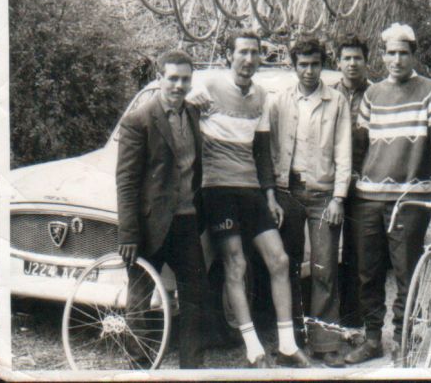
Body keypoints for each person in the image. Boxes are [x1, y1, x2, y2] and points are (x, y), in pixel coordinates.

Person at [187, 30, 311, 369]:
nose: (248, 59)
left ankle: (286, 346)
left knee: (280, 261)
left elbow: (261, 153)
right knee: (236, 266)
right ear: (230, 56)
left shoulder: (261, 97)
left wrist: (270, 194)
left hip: (251, 190)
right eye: (242, 52)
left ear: (260, 58)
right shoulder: (208, 87)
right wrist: (189, 103)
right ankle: (254, 349)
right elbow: (181, 115)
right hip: (217, 189)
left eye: (254, 53)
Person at [344, 23, 431, 364]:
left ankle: (402, 338)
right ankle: (372, 338)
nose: (396, 60)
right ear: (382, 56)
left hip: (411, 197)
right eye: (391, 53)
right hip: (368, 196)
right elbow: (359, 147)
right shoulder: (372, 95)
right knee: (368, 272)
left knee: (406, 271)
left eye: (403, 53)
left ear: (413, 55)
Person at [116, 50, 215, 369]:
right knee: (140, 299)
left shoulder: (192, 113)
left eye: (185, 79)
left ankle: (192, 369)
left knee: (195, 295)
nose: (178, 85)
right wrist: (129, 234)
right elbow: (127, 182)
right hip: (149, 226)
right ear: (159, 78)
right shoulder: (138, 120)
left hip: (186, 221)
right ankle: (139, 367)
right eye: (172, 78)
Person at [269, 37, 352, 367]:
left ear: (322, 65)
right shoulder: (281, 100)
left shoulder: (337, 101)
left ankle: (326, 343)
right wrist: (273, 193)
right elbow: (270, 141)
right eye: (302, 64)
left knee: (324, 270)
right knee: (287, 269)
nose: (308, 70)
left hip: (323, 196)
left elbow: (344, 152)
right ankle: (291, 343)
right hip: (287, 193)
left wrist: (338, 197)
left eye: (314, 64)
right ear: (294, 66)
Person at [330, 34, 372, 329]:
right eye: (347, 58)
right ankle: (329, 320)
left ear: (366, 61)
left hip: (363, 185)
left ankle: (354, 321)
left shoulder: (377, 94)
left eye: (357, 58)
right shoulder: (329, 93)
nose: (352, 63)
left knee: (358, 255)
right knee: (328, 253)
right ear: (338, 62)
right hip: (329, 185)